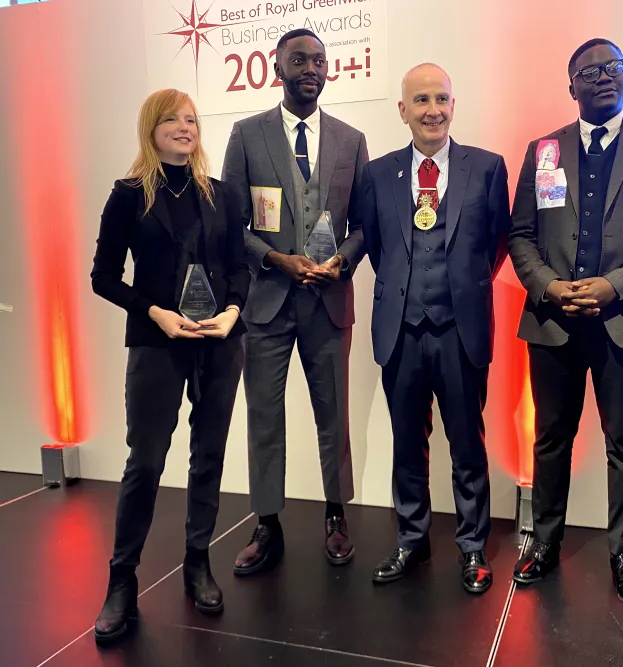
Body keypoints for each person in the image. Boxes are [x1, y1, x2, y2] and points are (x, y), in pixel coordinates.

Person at [508, 38, 623, 608]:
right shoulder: (544, 150)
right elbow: (520, 234)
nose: (604, 77)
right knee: (550, 439)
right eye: (589, 72)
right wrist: (548, 286)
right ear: (572, 87)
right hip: (554, 320)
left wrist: (615, 285)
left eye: (613, 67)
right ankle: (544, 542)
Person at [90, 88, 250, 643]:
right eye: (173, 120)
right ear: (151, 128)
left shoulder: (222, 195)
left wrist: (233, 312)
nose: (185, 127)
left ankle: (197, 562)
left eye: (191, 120)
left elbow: (238, 266)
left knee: (208, 457)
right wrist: (155, 312)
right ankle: (121, 580)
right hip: (157, 344)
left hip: (219, 343)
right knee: (146, 462)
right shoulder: (129, 195)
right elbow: (103, 277)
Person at [221, 29, 368, 575]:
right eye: (300, 60)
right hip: (267, 305)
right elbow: (233, 226)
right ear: (276, 67)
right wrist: (275, 260)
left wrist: (342, 262)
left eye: (320, 61)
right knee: (264, 417)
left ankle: (335, 515)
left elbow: (363, 228)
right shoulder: (246, 135)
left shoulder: (351, 141)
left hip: (328, 303)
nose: (312, 68)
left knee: (334, 417)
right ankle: (267, 523)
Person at [362, 63, 511, 594]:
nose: (433, 110)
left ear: (454, 104)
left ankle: (473, 548)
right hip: (400, 329)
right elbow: (380, 249)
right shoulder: (378, 174)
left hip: (460, 329)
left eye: (442, 99)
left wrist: (461, 290)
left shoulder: (487, 168)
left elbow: (496, 245)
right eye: (421, 100)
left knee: (467, 443)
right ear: (403, 111)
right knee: (407, 442)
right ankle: (411, 538)